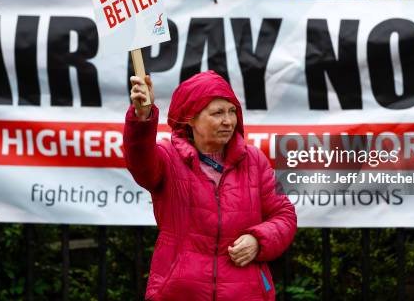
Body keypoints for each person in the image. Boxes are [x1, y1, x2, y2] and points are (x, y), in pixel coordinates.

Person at [124, 70, 297, 301]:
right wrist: (142, 117)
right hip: (179, 293)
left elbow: (284, 215)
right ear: (191, 118)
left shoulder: (254, 160)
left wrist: (259, 240)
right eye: (217, 113)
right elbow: (140, 163)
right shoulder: (168, 157)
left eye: (232, 111)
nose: (228, 121)